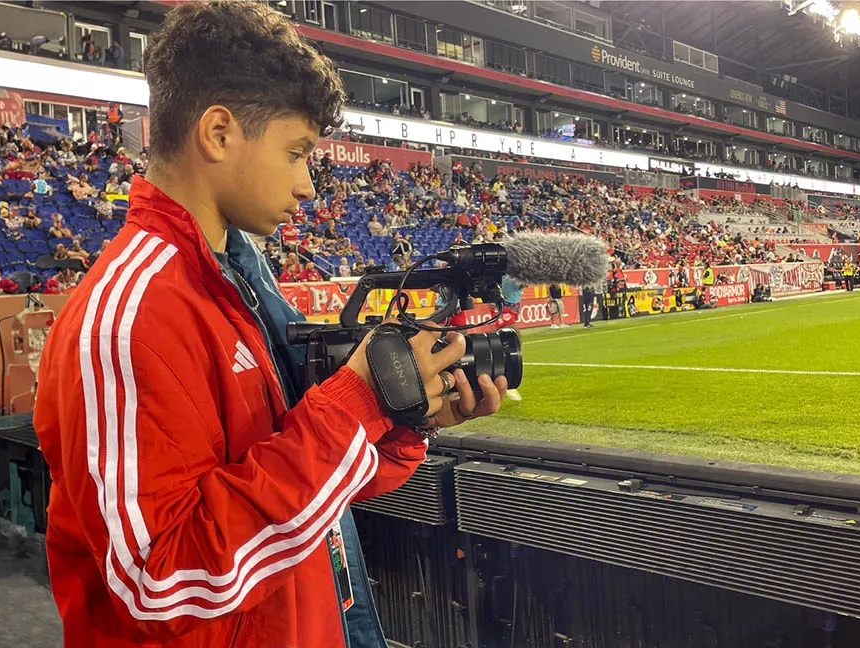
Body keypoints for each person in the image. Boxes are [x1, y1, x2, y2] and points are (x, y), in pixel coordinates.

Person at [32, 4, 507, 646]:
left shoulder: (235, 283)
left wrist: (401, 419)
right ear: (220, 133)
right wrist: (353, 405)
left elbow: (293, 499)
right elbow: (162, 585)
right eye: (296, 152)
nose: (308, 185)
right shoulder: (129, 317)